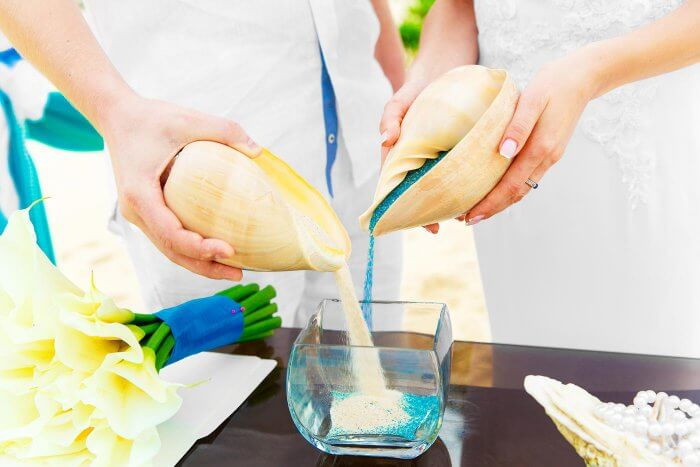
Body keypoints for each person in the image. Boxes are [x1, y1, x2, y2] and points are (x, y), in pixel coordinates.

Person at [0, 0, 405, 326]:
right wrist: (116, 113)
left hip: (363, 147)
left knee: (374, 378)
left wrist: (399, 94)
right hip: (204, 185)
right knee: (239, 414)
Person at [380, 0, 700, 357]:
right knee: (531, 378)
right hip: (507, 169)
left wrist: (591, 71)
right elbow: (458, 8)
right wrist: (430, 84)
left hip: (638, 162)